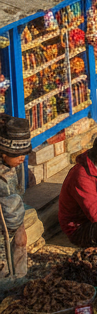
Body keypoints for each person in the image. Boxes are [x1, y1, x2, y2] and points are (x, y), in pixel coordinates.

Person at [0, 116, 31, 277]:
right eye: (17, 154)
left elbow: (19, 196)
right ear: (4, 153)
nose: (22, 158)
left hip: (14, 223)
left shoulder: (16, 168)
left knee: (19, 248)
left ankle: (19, 282)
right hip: (1, 230)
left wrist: (21, 228)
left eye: (24, 153)